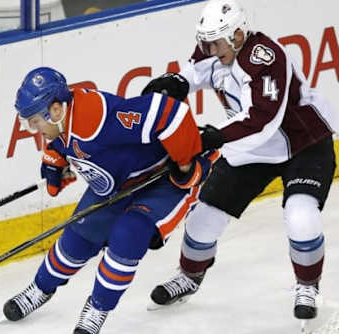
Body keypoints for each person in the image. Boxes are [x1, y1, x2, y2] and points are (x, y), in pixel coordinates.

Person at [142, 0, 338, 323]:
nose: (209, 49)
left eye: (215, 42)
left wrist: (211, 138)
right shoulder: (215, 48)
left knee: (300, 216)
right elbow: (197, 72)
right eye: (205, 42)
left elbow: (263, 121)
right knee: (202, 219)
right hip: (252, 149)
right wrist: (177, 82)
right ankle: (190, 276)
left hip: (304, 143)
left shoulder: (266, 57)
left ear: (237, 34)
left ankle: (308, 284)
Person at [2, 66, 219, 333]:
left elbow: (170, 114)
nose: (32, 128)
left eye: (34, 121)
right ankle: (40, 289)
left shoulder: (97, 119)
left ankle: (98, 308)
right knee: (77, 238)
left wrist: (186, 166)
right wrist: (57, 158)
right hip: (120, 182)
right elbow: (69, 142)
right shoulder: (65, 118)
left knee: (128, 236)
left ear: (56, 110)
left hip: (162, 182)